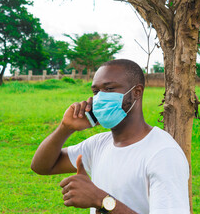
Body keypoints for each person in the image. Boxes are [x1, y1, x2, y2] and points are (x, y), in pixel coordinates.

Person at [31, 59, 190, 214]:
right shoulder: (98, 144)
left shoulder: (163, 153)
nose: (100, 97)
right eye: (95, 91)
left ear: (136, 92)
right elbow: (42, 166)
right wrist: (65, 129)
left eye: (109, 89)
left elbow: (101, 200)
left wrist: (102, 201)